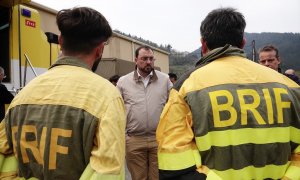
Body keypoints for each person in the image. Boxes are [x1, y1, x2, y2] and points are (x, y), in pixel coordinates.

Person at [156, 7, 300, 180]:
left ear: (203, 44)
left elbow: (174, 163)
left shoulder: (187, 86)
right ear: (242, 43)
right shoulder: (290, 87)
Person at [0, 7, 126, 179]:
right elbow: (107, 170)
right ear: (100, 49)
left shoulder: (22, 96)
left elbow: (4, 158)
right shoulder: (107, 97)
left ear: (60, 41)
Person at [117, 45, 172, 180]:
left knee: (157, 177)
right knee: (138, 178)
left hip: (159, 139)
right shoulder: (123, 82)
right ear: (136, 60)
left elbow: (174, 107)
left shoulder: (165, 80)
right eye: (144, 58)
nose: (148, 62)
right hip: (134, 140)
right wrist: (124, 137)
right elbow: (117, 110)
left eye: (151, 59)